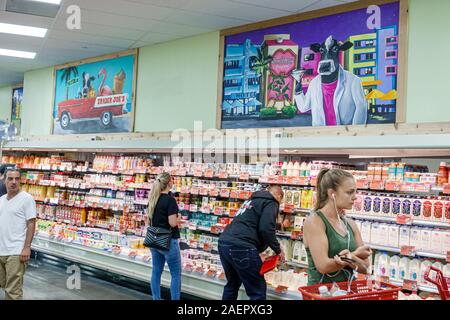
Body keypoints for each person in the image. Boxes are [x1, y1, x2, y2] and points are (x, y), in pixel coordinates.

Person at [303, 168, 372, 286]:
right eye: (349, 192)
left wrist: (348, 256)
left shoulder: (350, 224)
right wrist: (353, 256)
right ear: (332, 193)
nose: (355, 197)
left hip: (347, 292)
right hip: (321, 293)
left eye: (355, 192)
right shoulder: (315, 222)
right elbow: (323, 266)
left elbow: (365, 267)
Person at [218, 185, 285, 300]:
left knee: (232, 284)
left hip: (224, 242)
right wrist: (278, 250)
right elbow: (266, 228)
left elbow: (250, 225)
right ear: (279, 196)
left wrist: (256, 251)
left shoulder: (252, 200)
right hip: (242, 247)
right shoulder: (271, 202)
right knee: (257, 291)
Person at [0, 168, 37, 300]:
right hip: (1, 250)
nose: (13, 182)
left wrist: (27, 247)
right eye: (10, 179)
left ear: (21, 181)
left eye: (17, 179)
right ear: (4, 180)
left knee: (13, 291)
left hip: (16, 251)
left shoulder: (27, 199)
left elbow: (31, 223)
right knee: (4, 285)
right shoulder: (2, 200)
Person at [146, 172, 182, 300]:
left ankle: (156, 298)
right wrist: (179, 218)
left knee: (156, 272)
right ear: (169, 183)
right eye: (172, 180)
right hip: (168, 241)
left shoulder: (153, 198)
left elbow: (148, 221)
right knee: (176, 274)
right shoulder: (170, 200)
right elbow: (172, 223)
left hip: (153, 239)